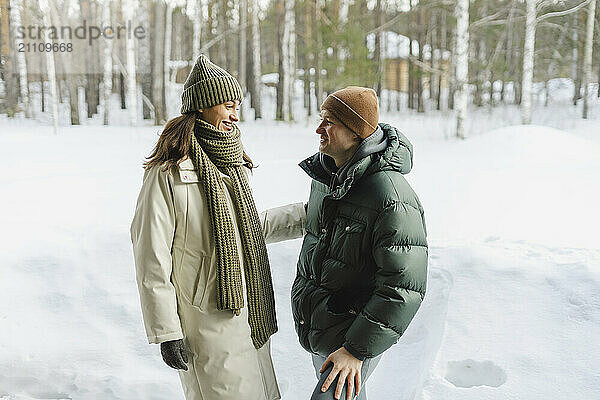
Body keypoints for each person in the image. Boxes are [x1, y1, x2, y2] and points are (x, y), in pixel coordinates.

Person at [130, 54, 304, 400]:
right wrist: (166, 331)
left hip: (248, 313)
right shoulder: (169, 173)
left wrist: (306, 214)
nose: (235, 115)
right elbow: (151, 256)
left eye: (237, 105)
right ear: (204, 106)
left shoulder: (232, 163)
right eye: (227, 105)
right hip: (205, 321)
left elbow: (246, 231)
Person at [292, 86, 428, 400]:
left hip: (354, 334)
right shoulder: (326, 177)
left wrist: (356, 350)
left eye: (329, 122)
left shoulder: (389, 193)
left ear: (355, 133)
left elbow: (404, 286)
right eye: (320, 119)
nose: (318, 129)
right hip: (325, 325)